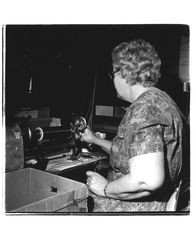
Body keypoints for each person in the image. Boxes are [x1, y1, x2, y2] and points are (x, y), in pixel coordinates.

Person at [81, 39, 189, 212]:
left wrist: (105, 188)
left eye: (113, 74)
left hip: (133, 209)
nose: (112, 80)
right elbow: (131, 154)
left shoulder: (143, 109)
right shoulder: (163, 101)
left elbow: (146, 179)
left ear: (124, 73)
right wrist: (94, 139)